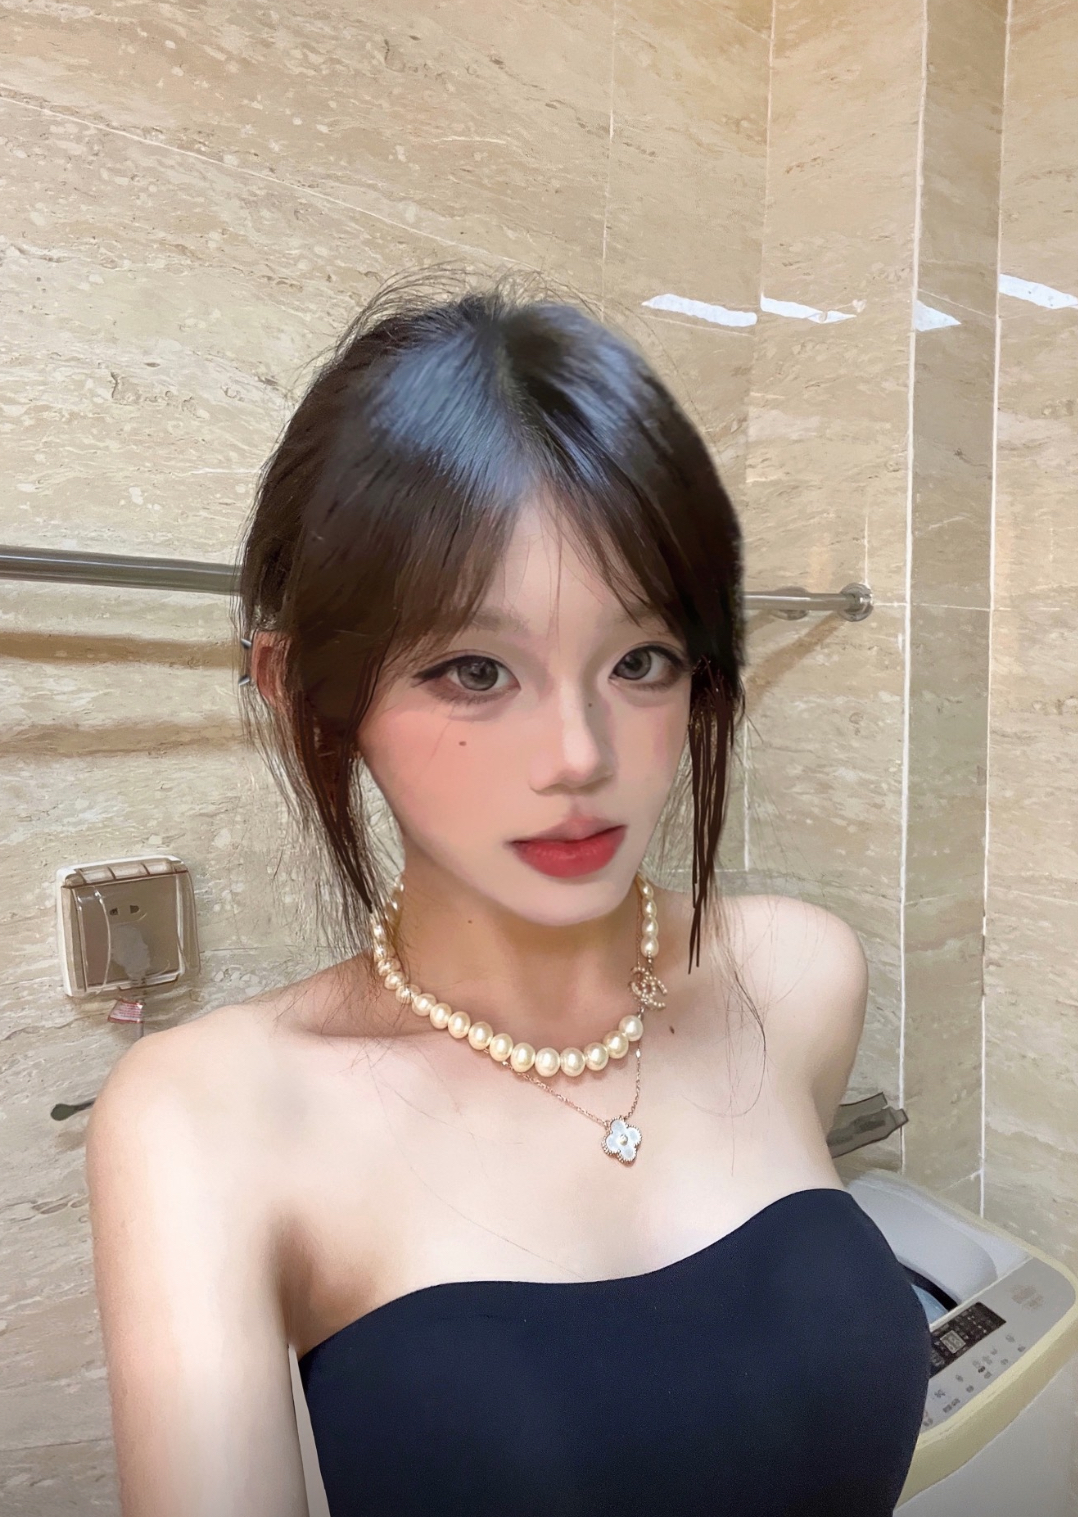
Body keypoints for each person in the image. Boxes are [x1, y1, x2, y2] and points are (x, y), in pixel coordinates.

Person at [86, 267, 931, 1517]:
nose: (578, 756)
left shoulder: (797, 975)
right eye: (475, 671)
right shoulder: (209, 1118)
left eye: (640, 659)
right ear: (308, 691)